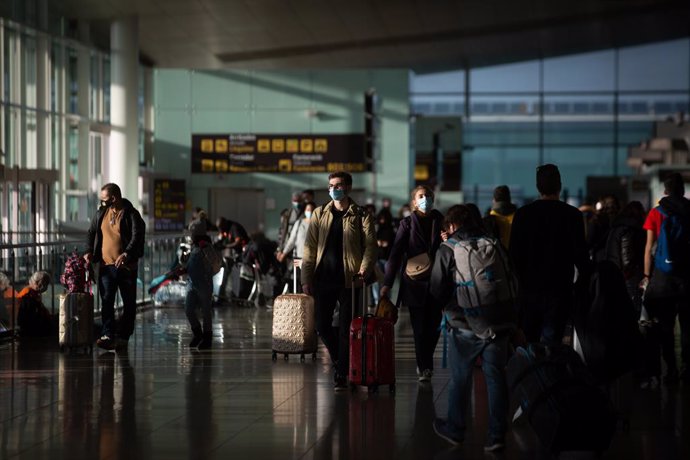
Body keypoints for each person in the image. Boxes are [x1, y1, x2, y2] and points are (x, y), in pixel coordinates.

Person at [430, 205, 516, 452]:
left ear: (453, 225)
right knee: (496, 377)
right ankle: (497, 434)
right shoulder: (494, 243)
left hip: (464, 324)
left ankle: (456, 429)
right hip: (499, 320)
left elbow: (437, 289)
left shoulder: (448, 249)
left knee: (460, 378)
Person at [301, 171, 377, 390]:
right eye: (331, 185)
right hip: (323, 279)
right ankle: (339, 358)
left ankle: (342, 372)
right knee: (321, 325)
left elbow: (370, 247)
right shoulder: (319, 214)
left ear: (349, 188)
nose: (334, 189)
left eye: (339, 185)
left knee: (346, 329)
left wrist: (364, 271)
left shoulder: (361, 214)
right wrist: (306, 278)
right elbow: (310, 248)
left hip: (350, 281)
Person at [509, 164, 589, 346]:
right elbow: (581, 258)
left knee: (530, 343)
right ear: (559, 186)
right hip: (559, 291)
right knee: (552, 344)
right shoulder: (573, 215)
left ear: (538, 187)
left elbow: (514, 256)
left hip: (529, 290)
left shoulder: (523, 215)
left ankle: (534, 374)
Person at [380, 185, 444, 382]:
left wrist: (448, 239)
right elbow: (396, 253)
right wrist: (387, 283)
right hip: (414, 282)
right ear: (414, 202)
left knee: (434, 327)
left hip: (437, 280)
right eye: (421, 196)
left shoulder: (440, 221)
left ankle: (426, 361)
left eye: (428, 196)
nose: (425, 199)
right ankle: (424, 366)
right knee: (419, 328)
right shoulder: (407, 224)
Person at [640, 173, 690, 385]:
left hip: (663, 279)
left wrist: (646, 276)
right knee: (688, 327)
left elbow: (649, 248)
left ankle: (670, 369)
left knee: (666, 327)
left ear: (665, 191)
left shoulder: (656, 213)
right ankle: (687, 370)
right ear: (682, 190)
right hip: (688, 277)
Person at [85, 183, 146, 351]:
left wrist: (126, 253)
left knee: (128, 303)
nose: (101, 203)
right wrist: (89, 251)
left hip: (126, 268)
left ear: (114, 198)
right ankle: (107, 334)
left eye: (104, 200)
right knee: (106, 301)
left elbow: (137, 236)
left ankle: (124, 336)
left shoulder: (131, 215)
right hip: (105, 266)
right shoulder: (101, 213)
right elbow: (91, 233)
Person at [184, 219, 218, 350]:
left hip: (204, 284)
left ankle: (207, 338)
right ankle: (197, 333)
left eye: (191, 233)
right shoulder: (193, 247)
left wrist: (207, 275)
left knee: (206, 312)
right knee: (188, 309)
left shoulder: (206, 247)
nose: (190, 236)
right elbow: (189, 264)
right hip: (191, 284)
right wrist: (184, 269)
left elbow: (216, 264)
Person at [277, 201, 316, 286]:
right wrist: (284, 253)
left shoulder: (318, 225)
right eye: (308, 209)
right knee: (299, 283)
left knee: (310, 285)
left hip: (312, 260)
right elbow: (292, 240)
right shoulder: (299, 223)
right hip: (299, 257)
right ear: (305, 210)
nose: (310, 211)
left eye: (312, 210)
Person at [483, 185, 517, 249]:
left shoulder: (488, 218)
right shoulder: (518, 216)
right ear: (509, 199)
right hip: (515, 256)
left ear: (494, 200)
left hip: (496, 256)